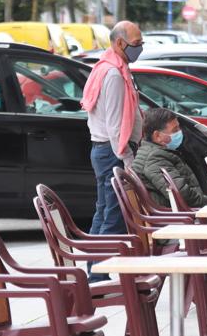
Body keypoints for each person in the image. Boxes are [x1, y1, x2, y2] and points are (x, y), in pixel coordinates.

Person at [80, 21, 144, 281]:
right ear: (120, 43)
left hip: (103, 149)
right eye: (137, 44)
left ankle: (92, 274)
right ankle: (97, 277)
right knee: (113, 217)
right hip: (112, 152)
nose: (140, 48)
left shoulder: (105, 67)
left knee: (103, 211)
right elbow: (116, 125)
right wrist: (128, 159)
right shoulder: (115, 75)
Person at [132, 108, 207, 208]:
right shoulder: (155, 158)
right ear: (157, 135)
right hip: (176, 217)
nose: (180, 132)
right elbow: (180, 193)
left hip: (182, 212)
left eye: (179, 128)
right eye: (175, 130)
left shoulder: (155, 152)